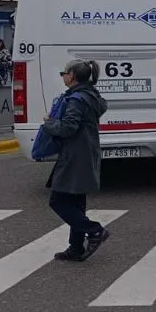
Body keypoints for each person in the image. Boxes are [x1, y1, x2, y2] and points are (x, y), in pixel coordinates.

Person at [44, 59, 109, 261]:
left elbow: (68, 127)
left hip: (75, 154)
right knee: (76, 200)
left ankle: (95, 230)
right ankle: (76, 247)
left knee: (58, 201)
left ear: (72, 75)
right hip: (86, 151)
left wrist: (49, 123)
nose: (63, 77)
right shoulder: (91, 95)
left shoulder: (76, 99)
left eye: (64, 73)